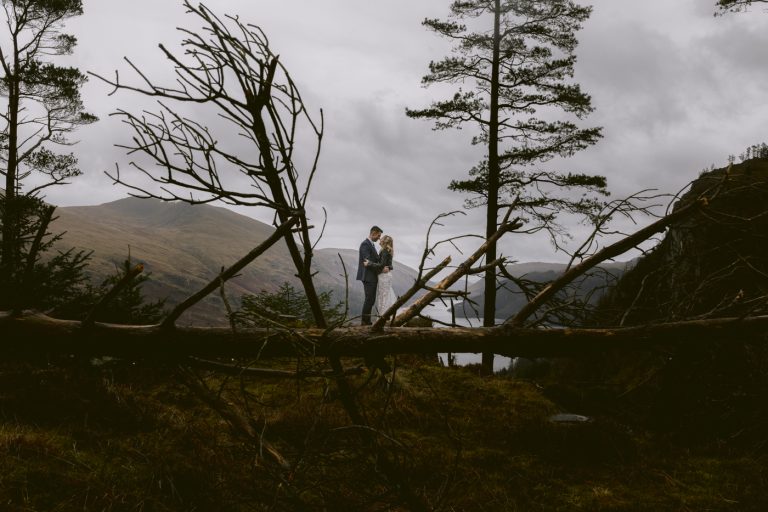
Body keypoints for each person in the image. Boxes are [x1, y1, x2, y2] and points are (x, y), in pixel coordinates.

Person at [356, 225, 389, 325]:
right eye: (378, 235)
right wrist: (381, 268)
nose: (379, 238)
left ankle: (367, 321)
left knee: (371, 299)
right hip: (368, 276)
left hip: (371, 276)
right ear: (373, 233)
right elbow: (367, 262)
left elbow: (374, 261)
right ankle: (365, 322)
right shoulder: (365, 244)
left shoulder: (371, 245)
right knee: (369, 299)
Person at [366, 235, 396, 320]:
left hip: (384, 276)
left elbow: (382, 265)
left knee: (383, 296)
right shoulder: (388, 250)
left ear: (384, 241)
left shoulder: (385, 251)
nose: (380, 239)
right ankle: (386, 315)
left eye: (381, 238)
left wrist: (369, 264)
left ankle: (382, 317)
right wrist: (389, 267)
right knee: (386, 295)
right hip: (386, 275)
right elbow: (389, 265)